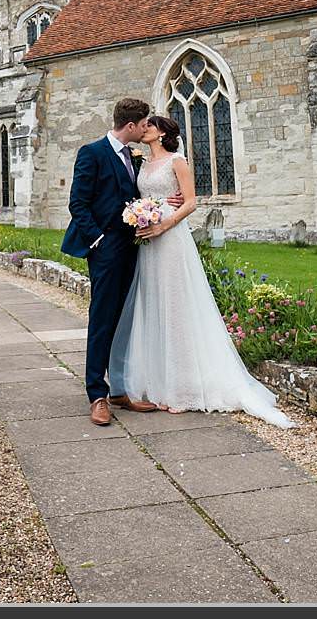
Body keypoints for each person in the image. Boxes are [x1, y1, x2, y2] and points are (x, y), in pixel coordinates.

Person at [107, 115, 293, 427]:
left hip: (170, 238)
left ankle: (183, 390)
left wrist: (164, 223)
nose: (146, 128)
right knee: (155, 307)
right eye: (145, 124)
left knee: (177, 307)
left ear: (163, 132)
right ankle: (160, 385)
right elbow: (146, 197)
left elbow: (191, 202)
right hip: (148, 239)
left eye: (151, 125)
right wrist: (143, 213)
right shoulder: (142, 163)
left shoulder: (177, 161)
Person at [61, 97, 179, 425]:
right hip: (105, 250)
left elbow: (136, 197)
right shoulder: (92, 153)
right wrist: (97, 240)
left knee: (125, 321)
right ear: (131, 125)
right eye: (144, 125)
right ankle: (97, 394)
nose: (146, 130)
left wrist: (164, 202)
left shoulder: (133, 156)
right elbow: (78, 204)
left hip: (132, 248)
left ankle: (120, 390)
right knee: (102, 321)